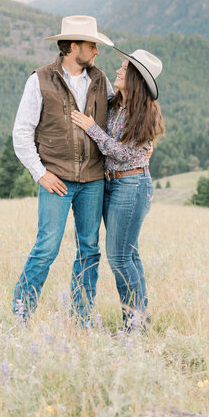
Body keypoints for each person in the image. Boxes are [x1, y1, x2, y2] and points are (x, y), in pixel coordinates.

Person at [12, 15, 115, 323]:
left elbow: (119, 116)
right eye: (92, 45)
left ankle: (82, 320)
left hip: (93, 180)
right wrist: (40, 172)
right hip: (56, 179)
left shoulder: (101, 80)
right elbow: (21, 132)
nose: (96, 51)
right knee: (46, 248)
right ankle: (21, 316)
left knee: (89, 250)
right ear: (73, 47)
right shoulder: (40, 80)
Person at [71, 48, 164, 332]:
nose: (119, 71)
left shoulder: (144, 111)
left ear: (135, 78)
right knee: (129, 255)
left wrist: (91, 128)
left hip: (131, 185)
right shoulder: (115, 104)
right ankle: (139, 323)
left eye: (125, 68)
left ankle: (134, 326)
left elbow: (121, 152)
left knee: (120, 257)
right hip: (114, 183)